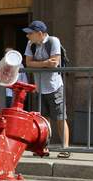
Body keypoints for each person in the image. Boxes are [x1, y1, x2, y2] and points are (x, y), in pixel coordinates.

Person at [23, 20, 71, 158]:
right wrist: (45, 63)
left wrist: (37, 64)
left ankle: (65, 148)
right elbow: (28, 63)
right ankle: (44, 147)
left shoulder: (53, 41)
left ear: (39, 33)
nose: (28, 36)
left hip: (54, 86)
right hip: (40, 87)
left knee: (60, 117)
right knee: (44, 119)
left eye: (30, 33)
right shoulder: (30, 44)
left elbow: (54, 63)